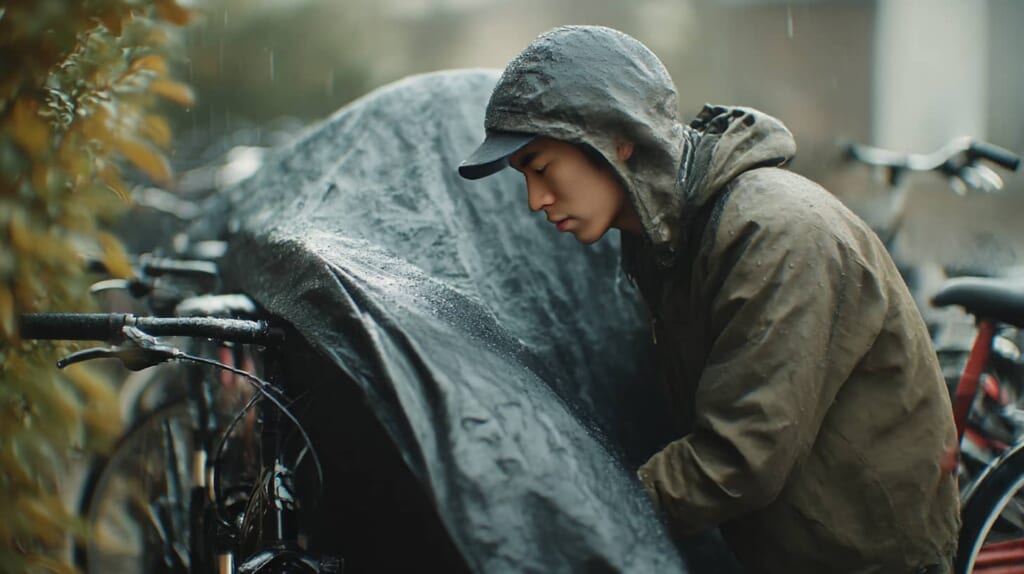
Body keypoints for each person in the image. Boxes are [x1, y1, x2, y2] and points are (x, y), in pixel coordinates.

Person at [456, 25, 959, 574]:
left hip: (864, 557)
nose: (535, 200)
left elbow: (741, 454)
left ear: (617, 141)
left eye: (541, 168)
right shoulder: (662, 235)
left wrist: (595, 512)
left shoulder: (775, 234)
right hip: (784, 545)